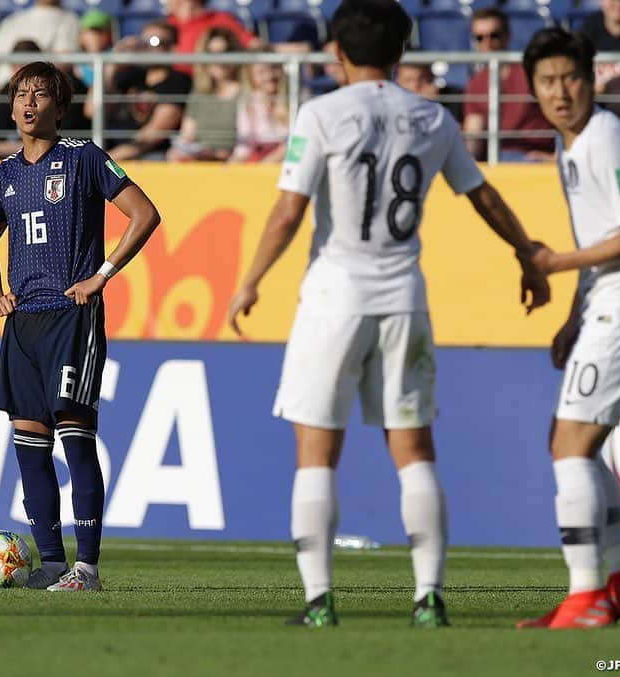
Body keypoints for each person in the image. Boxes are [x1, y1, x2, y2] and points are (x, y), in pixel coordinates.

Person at [226, 0, 550, 628]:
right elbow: (481, 194)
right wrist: (526, 253)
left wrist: (251, 280)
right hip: (404, 294)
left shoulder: (321, 113)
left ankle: (319, 602)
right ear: (401, 53)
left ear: (337, 52)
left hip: (335, 296)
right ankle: (429, 596)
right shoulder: (431, 117)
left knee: (316, 452)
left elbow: (290, 210)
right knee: (416, 450)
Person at [0, 61, 160, 592]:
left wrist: (102, 275)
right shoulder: (4, 173)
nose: (28, 102)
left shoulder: (84, 158)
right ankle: (52, 565)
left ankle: (88, 568)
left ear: (60, 106)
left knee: (76, 438)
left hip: (72, 318)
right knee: (29, 443)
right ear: (10, 106)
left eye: (40, 94)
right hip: (23, 323)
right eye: (20, 94)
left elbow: (144, 214)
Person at [515, 27, 620, 630]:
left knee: (570, 445)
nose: (560, 92)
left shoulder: (607, 140)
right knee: (585, 443)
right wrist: (573, 315)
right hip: (607, 304)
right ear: (532, 89)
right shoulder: (574, 143)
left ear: (590, 79)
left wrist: (553, 264)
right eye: (547, 81)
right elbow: (602, 237)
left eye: (571, 78)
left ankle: (587, 598)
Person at [462, 7, 554, 161]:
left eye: (494, 36)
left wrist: (554, 157)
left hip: (534, 157)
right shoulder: (475, 83)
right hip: (496, 159)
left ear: (508, 36)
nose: (487, 43)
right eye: (479, 38)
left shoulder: (532, 73)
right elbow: (474, 135)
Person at [95, 20, 192, 161]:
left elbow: (152, 135)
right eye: (144, 42)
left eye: (155, 41)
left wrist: (102, 162)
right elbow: (92, 111)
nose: (148, 47)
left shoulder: (178, 82)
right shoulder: (131, 76)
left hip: (150, 156)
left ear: (173, 48)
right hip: (115, 153)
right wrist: (111, 66)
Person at [167, 27, 242, 162]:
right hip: (201, 158)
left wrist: (217, 154)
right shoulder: (200, 92)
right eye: (212, 54)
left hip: (234, 161)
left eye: (224, 53)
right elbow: (187, 134)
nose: (219, 61)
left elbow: (249, 144)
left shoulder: (245, 92)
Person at [230, 52, 289, 163]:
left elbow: (296, 144)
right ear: (251, 76)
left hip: (287, 161)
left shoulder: (296, 98)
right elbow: (243, 146)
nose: (269, 76)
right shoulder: (248, 102)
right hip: (259, 159)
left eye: (274, 69)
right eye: (262, 72)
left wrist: (265, 165)